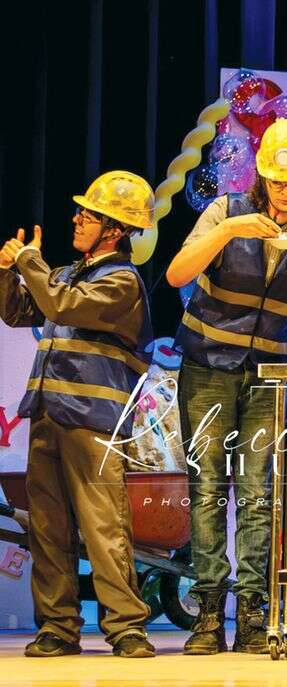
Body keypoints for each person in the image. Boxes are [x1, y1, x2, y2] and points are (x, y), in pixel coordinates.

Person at [165, 116, 287, 654]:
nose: (286, 191)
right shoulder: (226, 211)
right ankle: (207, 614)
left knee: (259, 493)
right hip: (207, 367)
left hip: (270, 376)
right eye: (278, 180)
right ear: (262, 176)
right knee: (207, 488)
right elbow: (176, 274)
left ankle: (251, 612)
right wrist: (227, 232)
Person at [1, 171, 157, 658]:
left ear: (115, 229)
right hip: (48, 414)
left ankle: (127, 627)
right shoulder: (68, 274)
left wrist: (29, 262)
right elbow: (19, 311)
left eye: (88, 215)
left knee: (103, 527)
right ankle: (58, 627)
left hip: (93, 419)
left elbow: (61, 306)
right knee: (47, 529)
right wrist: (7, 272)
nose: (76, 219)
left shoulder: (122, 282)